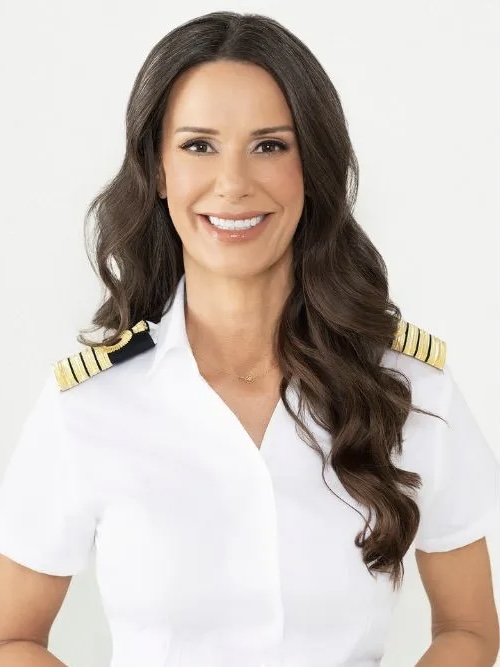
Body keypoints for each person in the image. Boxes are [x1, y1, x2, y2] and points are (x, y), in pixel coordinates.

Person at [0, 10, 498, 667]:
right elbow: (12, 636)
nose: (233, 183)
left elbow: (468, 626)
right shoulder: (87, 403)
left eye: (269, 146)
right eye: (198, 146)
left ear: (312, 167)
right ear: (158, 171)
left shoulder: (408, 388)